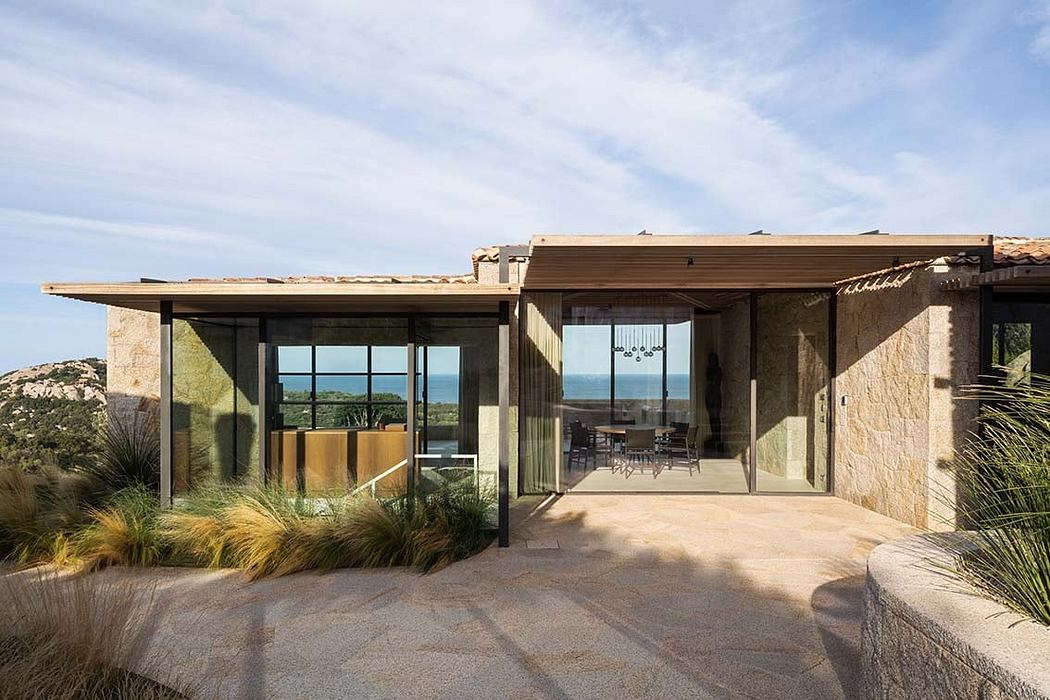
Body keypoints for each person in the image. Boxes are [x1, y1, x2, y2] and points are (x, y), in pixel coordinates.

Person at [704, 352, 723, 454]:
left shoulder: (718, 370)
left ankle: (717, 436)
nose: (710, 362)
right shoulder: (709, 369)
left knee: (716, 417)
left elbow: (716, 381)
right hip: (709, 394)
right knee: (711, 418)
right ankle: (714, 436)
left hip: (714, 395)